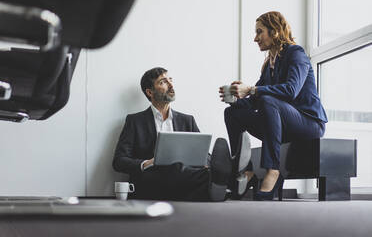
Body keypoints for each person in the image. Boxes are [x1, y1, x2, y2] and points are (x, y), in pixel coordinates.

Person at [220, 11, 328, 201]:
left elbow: (291, 90)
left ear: (275, 31)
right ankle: (246, 171)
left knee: (268, 100)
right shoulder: (270, 63)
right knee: (232, 113)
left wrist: (251, 89)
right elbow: (254, 98)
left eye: (259, 32)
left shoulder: (296, 54)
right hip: (281, 123)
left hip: (309, 123)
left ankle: (273, 170)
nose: (255, 38)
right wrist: (237, 98)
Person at [113, 67, 249, 201]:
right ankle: (230, 178)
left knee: (199, 171)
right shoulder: (135, 121)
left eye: (170, 80)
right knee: (184, 170)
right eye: (163, 82)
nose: (171, 85)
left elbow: (202, 153)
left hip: (183, 179)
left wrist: (208, 162)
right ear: (150, 92)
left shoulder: (187, 120)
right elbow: (119, 161)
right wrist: (146, 163)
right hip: (152, 179)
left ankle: (220, 181)